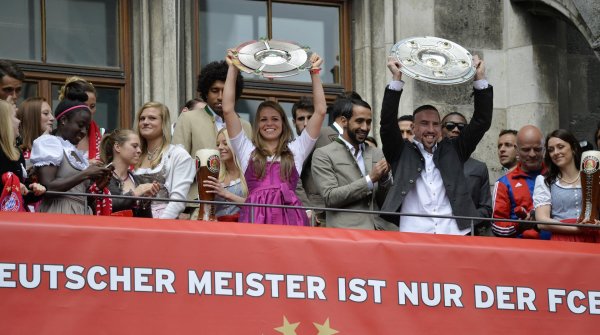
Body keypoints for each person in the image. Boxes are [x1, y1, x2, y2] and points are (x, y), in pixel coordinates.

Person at [379, 55, 493, 235]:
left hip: (454, 234)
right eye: (424, 124)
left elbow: (482, 121)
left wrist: (479, 78)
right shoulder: (400, 152)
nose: (431, 129)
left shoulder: (455, 150)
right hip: (414, 235)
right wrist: (396, 80)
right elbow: (386, 124)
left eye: (435, 124)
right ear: (413, 127)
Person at [223, 50, 326, 225]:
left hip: (290, 220)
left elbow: (321, 111)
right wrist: (233, 68)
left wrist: (314, 73)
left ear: (284, 123)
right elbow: (227, 109)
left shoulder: (296, 149)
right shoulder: (246, 150)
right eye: (263, 119)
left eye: (275, 119)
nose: (269, 124)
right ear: (257, 124)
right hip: (255, 220)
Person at [172, 61, 252, 216]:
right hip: (198, 204)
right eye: (215, 90)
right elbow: (177, 165)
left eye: (225, 90)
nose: (221, 96)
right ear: (205, 92)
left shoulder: (245, 126)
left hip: (237, 205)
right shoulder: (188, 119)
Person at [312, 96, 394, 230]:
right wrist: (370, 179)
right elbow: (330, 197)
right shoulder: (323, 154)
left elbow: (385, 201)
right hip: (347, 234)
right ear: (344, 121)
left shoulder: (377, 153)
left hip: (380, 231)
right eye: (359, 121)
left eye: (368, 122)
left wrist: (385, 180)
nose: (365, 127)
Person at [30, 94, 112, 215]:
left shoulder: (76, 154)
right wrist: (86, 173)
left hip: (81, 214)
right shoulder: (50, 143)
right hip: (58, 213)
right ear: (63, 120)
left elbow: (78, 196)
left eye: (87, 127)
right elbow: (48, 188)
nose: (84, 131)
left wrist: (98, 186)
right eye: (80, 125)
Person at [533, 129, 598, 242]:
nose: (556, 152)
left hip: (594, 236)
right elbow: (542, 222)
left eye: (560, 146)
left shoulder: (592, 176)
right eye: (551, 150)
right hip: (563, 239)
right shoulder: (544, 181)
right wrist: (577, 229)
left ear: (573, 148)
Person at [133, 101, 195, 219]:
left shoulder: (177, 155)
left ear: (163, 123)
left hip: (163, 225)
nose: (145, 122)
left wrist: (158, 228)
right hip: (131, 223)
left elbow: (177, 202)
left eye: (152, 118)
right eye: (142, 119)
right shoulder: (133, 154)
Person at [492, 125, 549, 239]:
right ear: (517, 150)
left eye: (537, 149)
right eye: (526, 149)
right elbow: (497, 226)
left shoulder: (556, 175)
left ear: (544, 149)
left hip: (558, 247)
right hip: (522, 251)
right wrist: (520, 226)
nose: (532, 154)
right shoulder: (504, 183)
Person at [441, 112, 493, 236]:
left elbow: (486, 208)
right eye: (450, 126)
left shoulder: (479, 168)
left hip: (466, 234)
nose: (455, 130)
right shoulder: (429, 163)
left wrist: (468, 219)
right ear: (440, 130)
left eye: (461, 127)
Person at [93, 129, 159, 217]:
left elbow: (146, 220)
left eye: (139, 147)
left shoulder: (138, 181)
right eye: (134, 146)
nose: (139, 150)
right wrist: (134, 194)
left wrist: (145, 202)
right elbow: (97, 206)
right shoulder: (100, 176)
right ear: (117, 147)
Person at [0, 100, 45, 211]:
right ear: (4, 122)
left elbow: (23, 194)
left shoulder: (17, 153)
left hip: (14, 219)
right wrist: (11, 184)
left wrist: (35, 189)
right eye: (15, 116)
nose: (19, 121)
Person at [202, 128, 248, 221]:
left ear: (236, 144)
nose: (220, 147)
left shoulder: (249, 174)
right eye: (218, 144)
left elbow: (255, 206)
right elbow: (207, 208)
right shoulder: (215, 175)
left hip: (242, 228)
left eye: (225, 143)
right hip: (218, 229)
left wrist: (226, 194)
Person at [58, 77, 102, 165]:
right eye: (84, 106)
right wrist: (86, 165)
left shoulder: (102, 135)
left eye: (92, 106)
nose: (89, 111)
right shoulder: (55, 137)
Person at [17, 97, 54, 164]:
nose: (52, 118)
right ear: (31, 118)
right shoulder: (16, 153)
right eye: (46, 113)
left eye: (51, 113)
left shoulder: (55, 146)